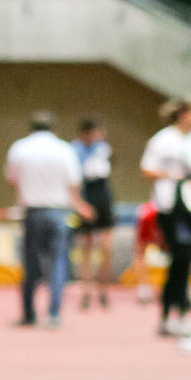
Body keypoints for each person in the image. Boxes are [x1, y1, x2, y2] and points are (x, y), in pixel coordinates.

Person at [5, 111, 94, 329]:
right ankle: (54, 314)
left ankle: (28, 314)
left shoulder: (19, 148)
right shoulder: (64, 150)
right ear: (54, 128)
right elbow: (74, 184)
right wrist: (80, 206)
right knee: (58, 263)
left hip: (32, 211)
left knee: (30, 264)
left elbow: (12, 180)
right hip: (59, 212)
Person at [141, 97, 191, 338]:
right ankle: (169, 312)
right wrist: (169, 173)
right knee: (178, 256)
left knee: (187, 258)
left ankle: (179, 312)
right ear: (183, 114)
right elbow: (147, 169)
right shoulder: (163, 140)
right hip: (170, 205)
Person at [72, 118, 116, 310]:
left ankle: (103, 288)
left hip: (103, 196)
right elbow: (75, 181)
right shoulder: (75, 150)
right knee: (86, 247)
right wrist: (80, 204)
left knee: (106, 247)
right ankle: (86, 290)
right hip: (86, 195)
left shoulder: (104, 149)